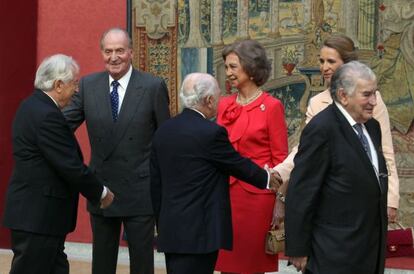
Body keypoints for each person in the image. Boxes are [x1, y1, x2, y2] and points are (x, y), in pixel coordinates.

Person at [63, 28, 170, 274]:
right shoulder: (89, 85)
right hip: (101, 188)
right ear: (102, 53)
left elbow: (166, 139)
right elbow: (60, 126)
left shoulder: (152, 86)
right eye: (108, 51)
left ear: (131, 52)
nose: (114, 57)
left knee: (142, 263)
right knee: (102, 262)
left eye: (120, 51)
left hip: (140, 191)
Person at [150, 72, 280, 274]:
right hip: (200, 233)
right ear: (209, 100)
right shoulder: (211, 133)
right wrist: (268, 178)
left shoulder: (164, 130)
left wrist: (162, 224)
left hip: (172, 230)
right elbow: (236, 164)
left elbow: (155, 184)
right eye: (218, 97)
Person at [3, 54, 114, 274]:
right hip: (38, 218)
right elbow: (69, 165)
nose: (76, 90)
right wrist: (101, 193)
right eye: (74, 83)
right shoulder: (47, 115)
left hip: (39, 217)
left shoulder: (32, 106)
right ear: (58, 85)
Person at [273, 34, 399, 223]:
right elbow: (303, 149)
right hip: (330, 196)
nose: (324, 67)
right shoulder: (317, 103)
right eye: (322, 61)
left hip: (366, 194)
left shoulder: (372, 99)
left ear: (347, 64)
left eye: (331, 61)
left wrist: (391, 199)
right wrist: (278, 173)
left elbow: (385, 150)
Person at [285, 61, 388, 274]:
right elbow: (302, 190)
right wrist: (298, 248)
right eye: (367, 95)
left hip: (369, 249)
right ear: (343, 96)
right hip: (333, 252)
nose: (374, 101)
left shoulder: (372, 127)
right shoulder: (322, 129)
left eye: (375, 93)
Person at [215, 39, 288, 274]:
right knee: (226, 264)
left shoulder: (272, 106)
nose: (228, 73)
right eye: (226, 67)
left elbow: (281, 159)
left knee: (251, 266)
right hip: (225, 196)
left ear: (250, 66)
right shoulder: (224, 105)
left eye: (233, 67)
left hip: (257, 199)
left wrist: (280, 201)